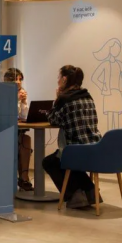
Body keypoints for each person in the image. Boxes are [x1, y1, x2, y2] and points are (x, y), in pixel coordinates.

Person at [42, 65, 102, 209]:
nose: (57, 80)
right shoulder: (88, 96)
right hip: (95, 148)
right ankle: (91, 192)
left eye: (58, 77)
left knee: (50, 162)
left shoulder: (64, 99)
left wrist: (57, 98)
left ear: (64, 79)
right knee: (65, 161)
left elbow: (54, 120)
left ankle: (75, 196)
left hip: (76, 150)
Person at [4, 68, 33, 191]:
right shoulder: (1, 93)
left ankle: (24, 177)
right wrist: (16, 99)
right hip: (2, 132)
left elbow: (24, 117)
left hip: (16, 131)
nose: (18, 82)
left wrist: (24, 102)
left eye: (20, 79)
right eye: (16, 79)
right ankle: (21, 178)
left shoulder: (20, 93)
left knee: (26, 139)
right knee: (22, 141)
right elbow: (6, 114)